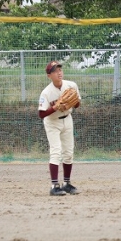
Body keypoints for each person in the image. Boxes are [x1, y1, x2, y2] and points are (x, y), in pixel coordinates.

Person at [38, 60, 82, 196]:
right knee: (56, 152)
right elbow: (41, 114)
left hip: (67, 120)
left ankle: (67, 184)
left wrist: (71, 102)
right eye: (55, 71)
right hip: (52, 123)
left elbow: (77, 104)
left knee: (68, 153)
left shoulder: (71, 85)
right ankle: (54, 186)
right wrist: (55, 107)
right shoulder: (46, 93)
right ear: (49, 76)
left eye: (60, 70)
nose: (59, 73)